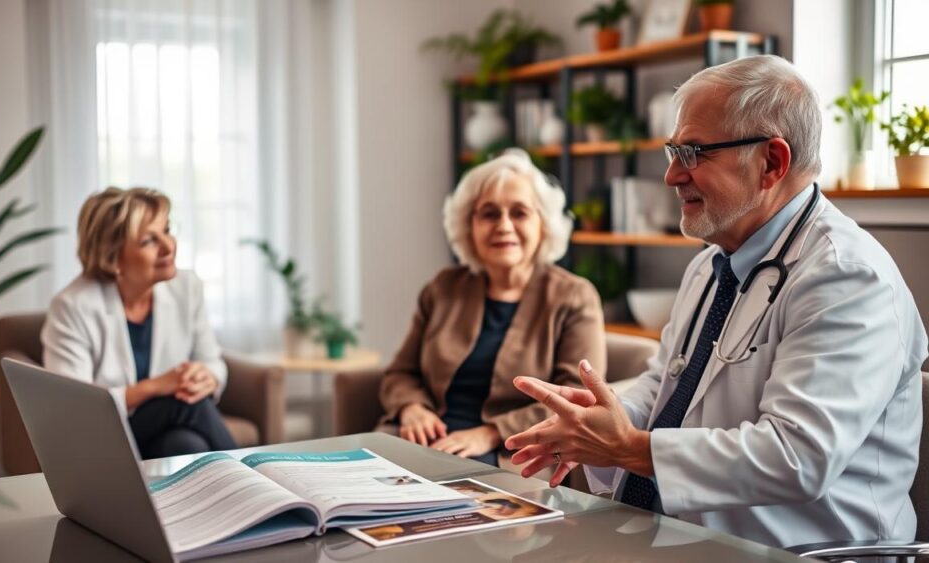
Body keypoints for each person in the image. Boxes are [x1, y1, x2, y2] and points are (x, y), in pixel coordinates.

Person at [505, 54, 928, 549]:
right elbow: (665, 382)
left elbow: (797, 457)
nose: (671, 176)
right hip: (684, 537)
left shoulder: (848, 278)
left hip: (801, 552)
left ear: (772, 161)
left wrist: (630, 448)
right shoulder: (713, 261)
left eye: (694, 153)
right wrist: (608, 413)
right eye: (673, 151)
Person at [379, 148, 606, 467]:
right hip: (422, 438)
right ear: (468, 226)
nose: (503, 225)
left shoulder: (574, 296)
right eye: (488, 213)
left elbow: (574, 398)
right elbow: (401, 373)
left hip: (507, 449)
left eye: (519, 212)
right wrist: (411, 408)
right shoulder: (444, 287)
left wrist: (490, 432)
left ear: (543, 225)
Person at [42, 187, 236, 459]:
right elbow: (76, 409)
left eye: (167, 230)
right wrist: (156, 387)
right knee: (187, 406)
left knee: (187, 446)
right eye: (149, 241)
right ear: (113, 256)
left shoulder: (186, 287)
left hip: (159, 432)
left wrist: (207, 378)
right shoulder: (73, 306)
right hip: (102, 436)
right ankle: (263, 488)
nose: (169, 246)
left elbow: (213, 361)